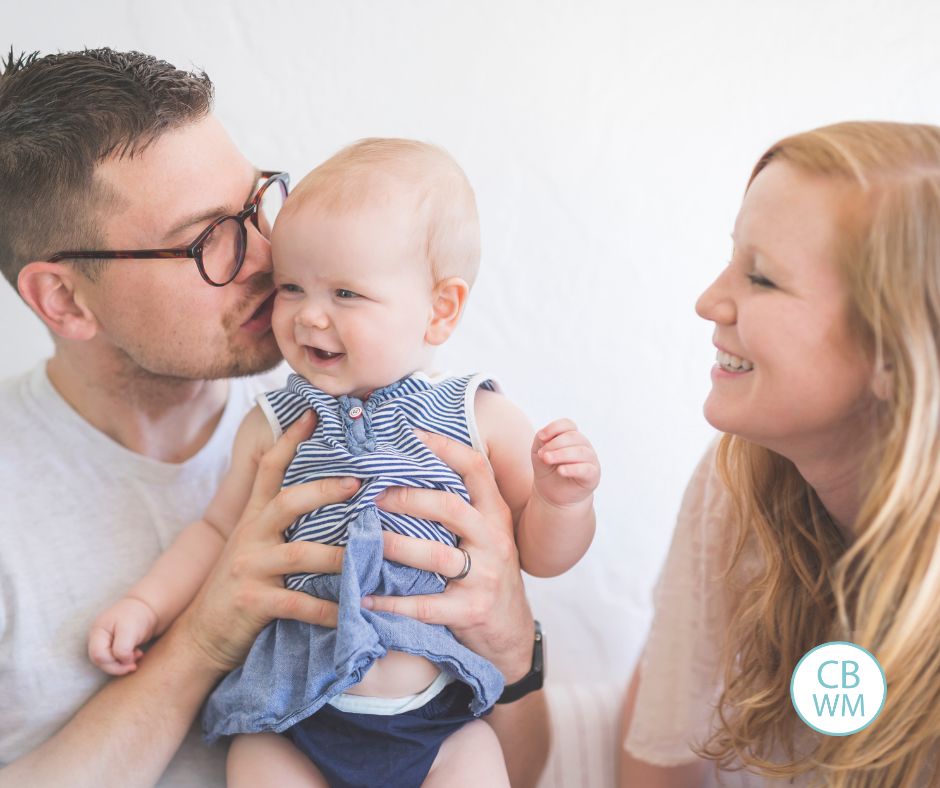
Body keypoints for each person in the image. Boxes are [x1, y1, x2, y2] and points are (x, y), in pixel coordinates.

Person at [0, 48, 550, 788]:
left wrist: (515, 652)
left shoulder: (369, 417)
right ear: (64, 300)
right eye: (208, 240)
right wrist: (199, 640)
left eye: (258, 203)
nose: (266, 255)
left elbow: (524, 764)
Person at [88, 138, 600, 787]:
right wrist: (145, 605)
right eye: (292, 287)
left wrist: (563, 501)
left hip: (437, 720)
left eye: (347, 293)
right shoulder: (273, 422)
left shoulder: (478, 415)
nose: (309, 315)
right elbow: (217, 534)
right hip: (296, 717)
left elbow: (541, 555)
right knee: (254, 761)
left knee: (478, 763)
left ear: (440, 310)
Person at [620, 121, 940, 787]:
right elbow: (658, 754)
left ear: (894, 352)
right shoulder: (734, 479)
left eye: (761, 278)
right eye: (733, 257)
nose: (710, 300)